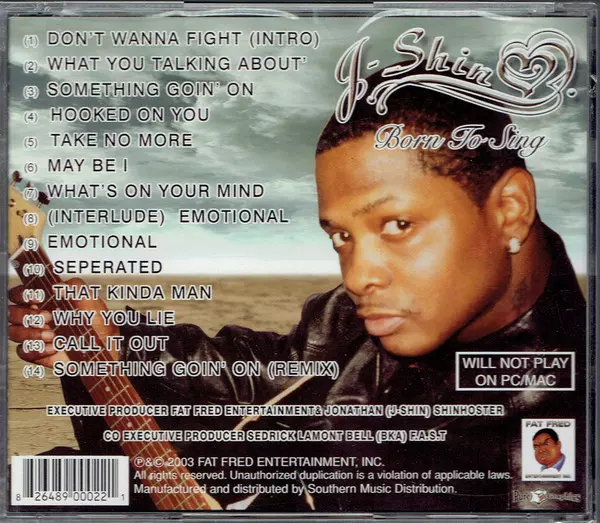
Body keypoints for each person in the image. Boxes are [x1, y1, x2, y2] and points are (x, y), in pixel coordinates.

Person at [8, 64, 587, 512]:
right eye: (341, 236)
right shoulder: (381, 310)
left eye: (397, 225)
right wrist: (120, 341)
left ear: (510, 209)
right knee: (35, 486)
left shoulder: (557, 441)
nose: (358, 276)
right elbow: (277, 370)